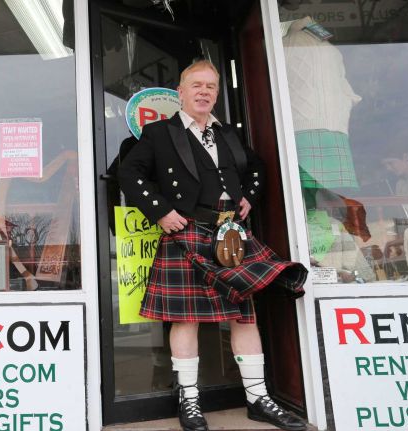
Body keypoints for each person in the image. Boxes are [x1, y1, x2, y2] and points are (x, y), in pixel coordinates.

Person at [118, 60, 308, 431]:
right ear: (181, 92)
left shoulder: (229, 134)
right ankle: (189, 400)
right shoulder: (161, 133)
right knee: (186, 318)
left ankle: (258, 399)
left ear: (217, 93)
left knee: (243, 315)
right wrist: (160, 211)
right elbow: (130, 172)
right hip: (188, 229)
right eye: (197, 85)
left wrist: (249, 197)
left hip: (230, 234)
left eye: (211, 87)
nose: (204, 92)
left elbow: (256, 168)